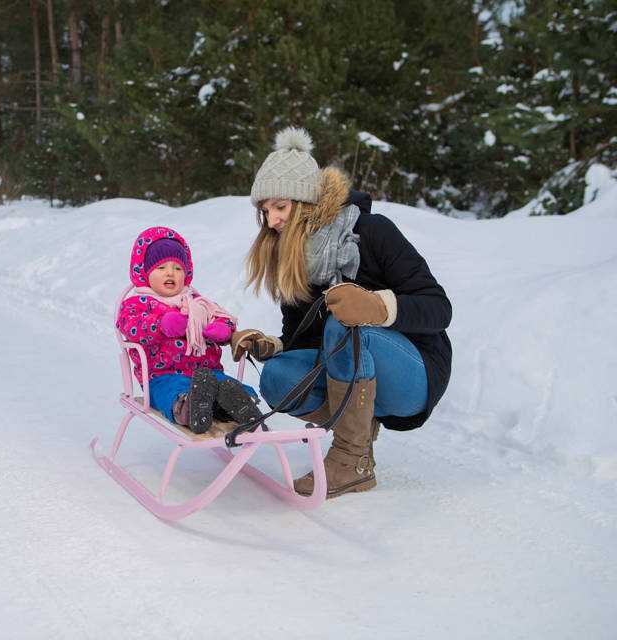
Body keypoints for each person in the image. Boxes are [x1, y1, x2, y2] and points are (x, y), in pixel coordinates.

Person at [231, 127, 452, 498]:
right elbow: (305, 338)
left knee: (345, 324)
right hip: (351, 366)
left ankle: (352, 459)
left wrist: (379, 307)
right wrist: (273, 345)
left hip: (414, 372)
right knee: (278, 377)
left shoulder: (372, 231)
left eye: (279, 207)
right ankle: (359, 436)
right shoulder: (293, 255)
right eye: (265, 211)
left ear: (305, 202)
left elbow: (438, 308)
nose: (271, 221)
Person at [117, 226, 262, 434]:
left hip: (209, 374)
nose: (170, 273)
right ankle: (188, 408)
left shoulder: (197, 303)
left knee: (226, 386)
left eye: (177, 268)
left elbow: (222, 317)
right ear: (145, 273)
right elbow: (130, 327)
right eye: (161, 268)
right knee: (172, 392)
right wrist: (161, 325)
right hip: (162, 375)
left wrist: (221, 329)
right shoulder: (138, 304)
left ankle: (239, 404)